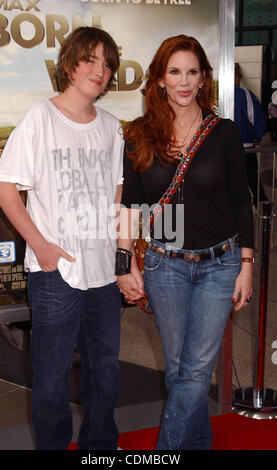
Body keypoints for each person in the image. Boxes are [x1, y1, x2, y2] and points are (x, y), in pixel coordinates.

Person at [116, 35, 254, 450]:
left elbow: (240, 200)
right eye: (174, 71)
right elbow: (129, 206)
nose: (184, 81)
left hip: (220, 264)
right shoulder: (139, 135)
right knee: (179, 370)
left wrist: (246, 263)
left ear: (204, 78)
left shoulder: (224, 133)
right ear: (159, 78)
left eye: (192, 71)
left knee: (195, 370)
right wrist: (126, 264)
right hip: (164, 266)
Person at [0, 26, 124, 450]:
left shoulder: (112, 127)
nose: (98, 70)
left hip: (104, 275)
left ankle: (98, 451)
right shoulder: (40, 117)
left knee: (105, 372)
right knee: (49, 379)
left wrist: (125, 260)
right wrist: (41, 247)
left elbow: (118, 199)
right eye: (90, 59)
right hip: (56, 275)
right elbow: (3, 186)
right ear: (69, 64)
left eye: (106, 63)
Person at [234, 63, 268, 208]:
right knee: (251, 176)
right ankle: (259, 200)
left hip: (222, 147)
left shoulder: (215, 93)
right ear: (237, 77)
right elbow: (255, 116)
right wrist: (258, 135)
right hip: (246, 145)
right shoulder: (245, 94)